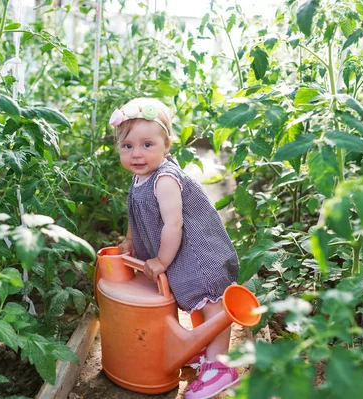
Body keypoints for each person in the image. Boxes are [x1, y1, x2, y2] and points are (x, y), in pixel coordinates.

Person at [109, 98, 241, 399]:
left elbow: (173, 225)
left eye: (147, 144)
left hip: (200, 253)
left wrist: (160, 259)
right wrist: (130, 238)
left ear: (166, 145)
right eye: (127, 146)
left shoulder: (165, 179)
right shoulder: (140, 177)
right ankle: (204, 351)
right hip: (183, 255)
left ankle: (220, 367)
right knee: (196, 300)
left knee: (211, 302)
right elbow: (135, 211)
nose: (137, 154)